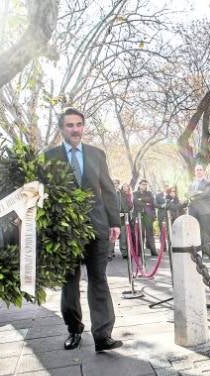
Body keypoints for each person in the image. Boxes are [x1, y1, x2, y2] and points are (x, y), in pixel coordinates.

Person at [44, 107, 123, 353]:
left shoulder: (96, 154)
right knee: (69, 282)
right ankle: (74, 329)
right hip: (65, 232)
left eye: (79, 124)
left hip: (97, 227)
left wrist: (114, 223)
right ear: (61, 129)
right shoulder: (49, 157)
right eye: (70, 125)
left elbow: (108, 189)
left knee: (98, 279)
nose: (75, 129)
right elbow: (42, 194)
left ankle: (103, 335)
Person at [187, 165, 210, 257]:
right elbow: (188, 194)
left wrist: (194, 196)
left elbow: (206, 194)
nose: (199, 171)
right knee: (195, 231)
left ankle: (209, 252)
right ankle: (198, 251)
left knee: (206, 232)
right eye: (197, 170)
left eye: (200, 170)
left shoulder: (208, 183)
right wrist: (193, 195)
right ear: (195, 172)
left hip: (204, 210)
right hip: (193, 210)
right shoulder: (191, 184)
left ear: (203, 171)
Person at [133, 179, 158, 256]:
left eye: (145, 184)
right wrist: (146, 203)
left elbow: (151, 200)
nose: (144, 186)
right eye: (143, 184)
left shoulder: (149, 193)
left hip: (148, 215)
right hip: (139, 215)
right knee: (140, 233)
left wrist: (142, 200)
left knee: (150, 233)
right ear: (139, 185)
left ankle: (153, 251)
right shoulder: (135, 193)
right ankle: (139, 252)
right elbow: (136, 202)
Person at [118, 183, 136, 259]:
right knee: (123, 237)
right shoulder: (119, 195)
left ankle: (130, 251)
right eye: (124, 186)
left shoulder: (130, 195)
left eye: (127, 186)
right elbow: (117, 205)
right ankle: (124, 253)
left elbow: (132, 206)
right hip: (122, 217)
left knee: (130, 235)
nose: (125, 188)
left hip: (129, 217)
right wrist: (119, 213)